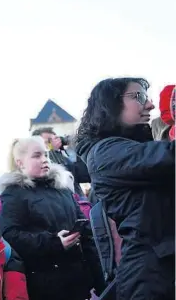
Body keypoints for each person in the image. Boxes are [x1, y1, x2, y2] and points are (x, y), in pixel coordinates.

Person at [75, 77, 175, 300]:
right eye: (138, 97)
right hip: (151, 276)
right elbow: (170, 157)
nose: (150, 105)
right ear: (110, 104)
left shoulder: (130, 147)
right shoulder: (105, 152)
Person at [0, 137, 103, 300]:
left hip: (77, 281)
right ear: (20, 162)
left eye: (45, 154)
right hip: (41, 284)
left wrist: (98, 278)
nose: (45, 159)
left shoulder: (62, 189)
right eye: (37, 156)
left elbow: (85, 231)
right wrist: (53, 242)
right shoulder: (13, 194)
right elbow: (10, 235)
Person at [31, 127, 90, 197]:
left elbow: (83, 175)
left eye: (55, 138)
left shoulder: (63, 156)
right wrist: (52, 150)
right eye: (48, 141)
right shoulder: (39, 163)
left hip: (77, 199)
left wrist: (77, 147)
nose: (52, 143)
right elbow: (59, 174)